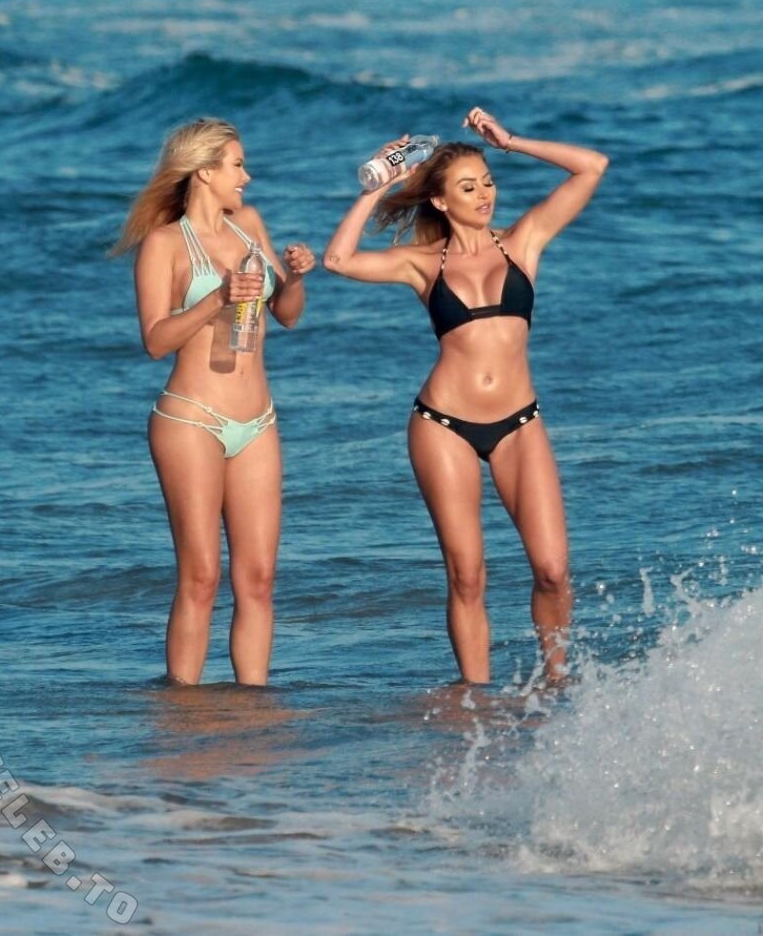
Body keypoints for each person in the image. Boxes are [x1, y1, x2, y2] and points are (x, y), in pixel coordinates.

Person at [323, 108, 608, 685]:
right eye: (468, 187)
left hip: (520, 423)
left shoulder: (523, 242)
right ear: (440, 200)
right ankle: (475, 698)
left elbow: (592, 166)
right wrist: (379, 185)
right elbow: (337, 260)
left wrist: (511, 141)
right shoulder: (421, 264)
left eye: (488, 182)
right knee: (468, 576)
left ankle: (557, 685)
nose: (484, 196)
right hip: (443, 426)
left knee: (553, 570)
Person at [111, 117, 315, 686]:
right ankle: (182, 711)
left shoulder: (249, 226)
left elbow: (287, 315)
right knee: (200, 578)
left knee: (258, 581)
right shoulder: (164, 244)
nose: (246, 177)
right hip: (189, 419)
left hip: (258, 421)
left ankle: (254, 709)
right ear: (203, 172)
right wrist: (217, 298)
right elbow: (155, 340)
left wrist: (296, 279)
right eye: (237, 165)